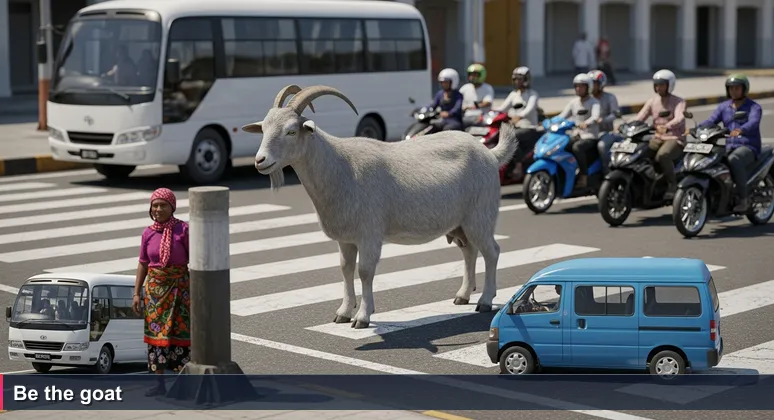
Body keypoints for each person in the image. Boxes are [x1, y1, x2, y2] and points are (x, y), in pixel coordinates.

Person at [133, 188, 191, 396]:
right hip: (155, 293)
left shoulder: (183, 230)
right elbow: (143, 263)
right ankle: (158, 384)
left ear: (172, 207)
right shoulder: (148, 233)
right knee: (156, 338)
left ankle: (182, 384)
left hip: (180, 290)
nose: (158, 209)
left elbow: (195, 258)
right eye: (154, 205)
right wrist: (137, 293)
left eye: (163, 205)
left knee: (181, 335)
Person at [697, 74, 762, 212]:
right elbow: (711, 120)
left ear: (744, 89)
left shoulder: (754, 107)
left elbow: (753, 122)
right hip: (729, 145)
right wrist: (696, 128)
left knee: (734, 159)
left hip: (748, 146)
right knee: (711, 158)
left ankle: (743, 199)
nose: (733, 91)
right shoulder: (724, 107)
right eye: (731, 88)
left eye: (737, 88)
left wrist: (741, 130)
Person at [634, 69, 686, 199]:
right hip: (657, 137)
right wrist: (625, 125)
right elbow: (640, 117)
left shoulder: (679, 101)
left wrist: (667, 126)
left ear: (670, 85)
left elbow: (680, 118)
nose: (658, 88)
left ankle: (672, 185)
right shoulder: (652, 101)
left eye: (662, 85)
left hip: (674, 138)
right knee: (638, 153)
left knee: (663, 155)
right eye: (656, 85)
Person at [495, 66, 542, 180]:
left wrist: (519, 117)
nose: (517, 81)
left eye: (520, 79)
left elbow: (529, 109)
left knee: (511, 136)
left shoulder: (533, 94)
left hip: (529, 127)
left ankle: (518, 165)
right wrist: (491, 112)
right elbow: (502, 108)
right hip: (515, 126)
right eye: (515, 79)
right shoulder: (513, 95)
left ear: (526, 80)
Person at [557, 73, 601, 188]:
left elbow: (595, 117)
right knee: (561, 145)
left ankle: (584, 175)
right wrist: (549, 122)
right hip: (576, 135)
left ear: (589, 87)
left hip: (589, 136)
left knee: (577, 148)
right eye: (576, 86)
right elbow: (562, 116)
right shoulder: (573, 102)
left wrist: (586, 123)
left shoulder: (594, 102)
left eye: (581, 86)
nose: (578, 89)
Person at [588, 70, 622, 173]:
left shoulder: (610, 98)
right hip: (589, 132)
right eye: (590, 83)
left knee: (602, 146)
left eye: (594, 83)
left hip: (606, 132)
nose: (592, 86)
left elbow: (615, 114)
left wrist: (603, 120)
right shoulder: (586, 99)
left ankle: (607, 171)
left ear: (601, 84)